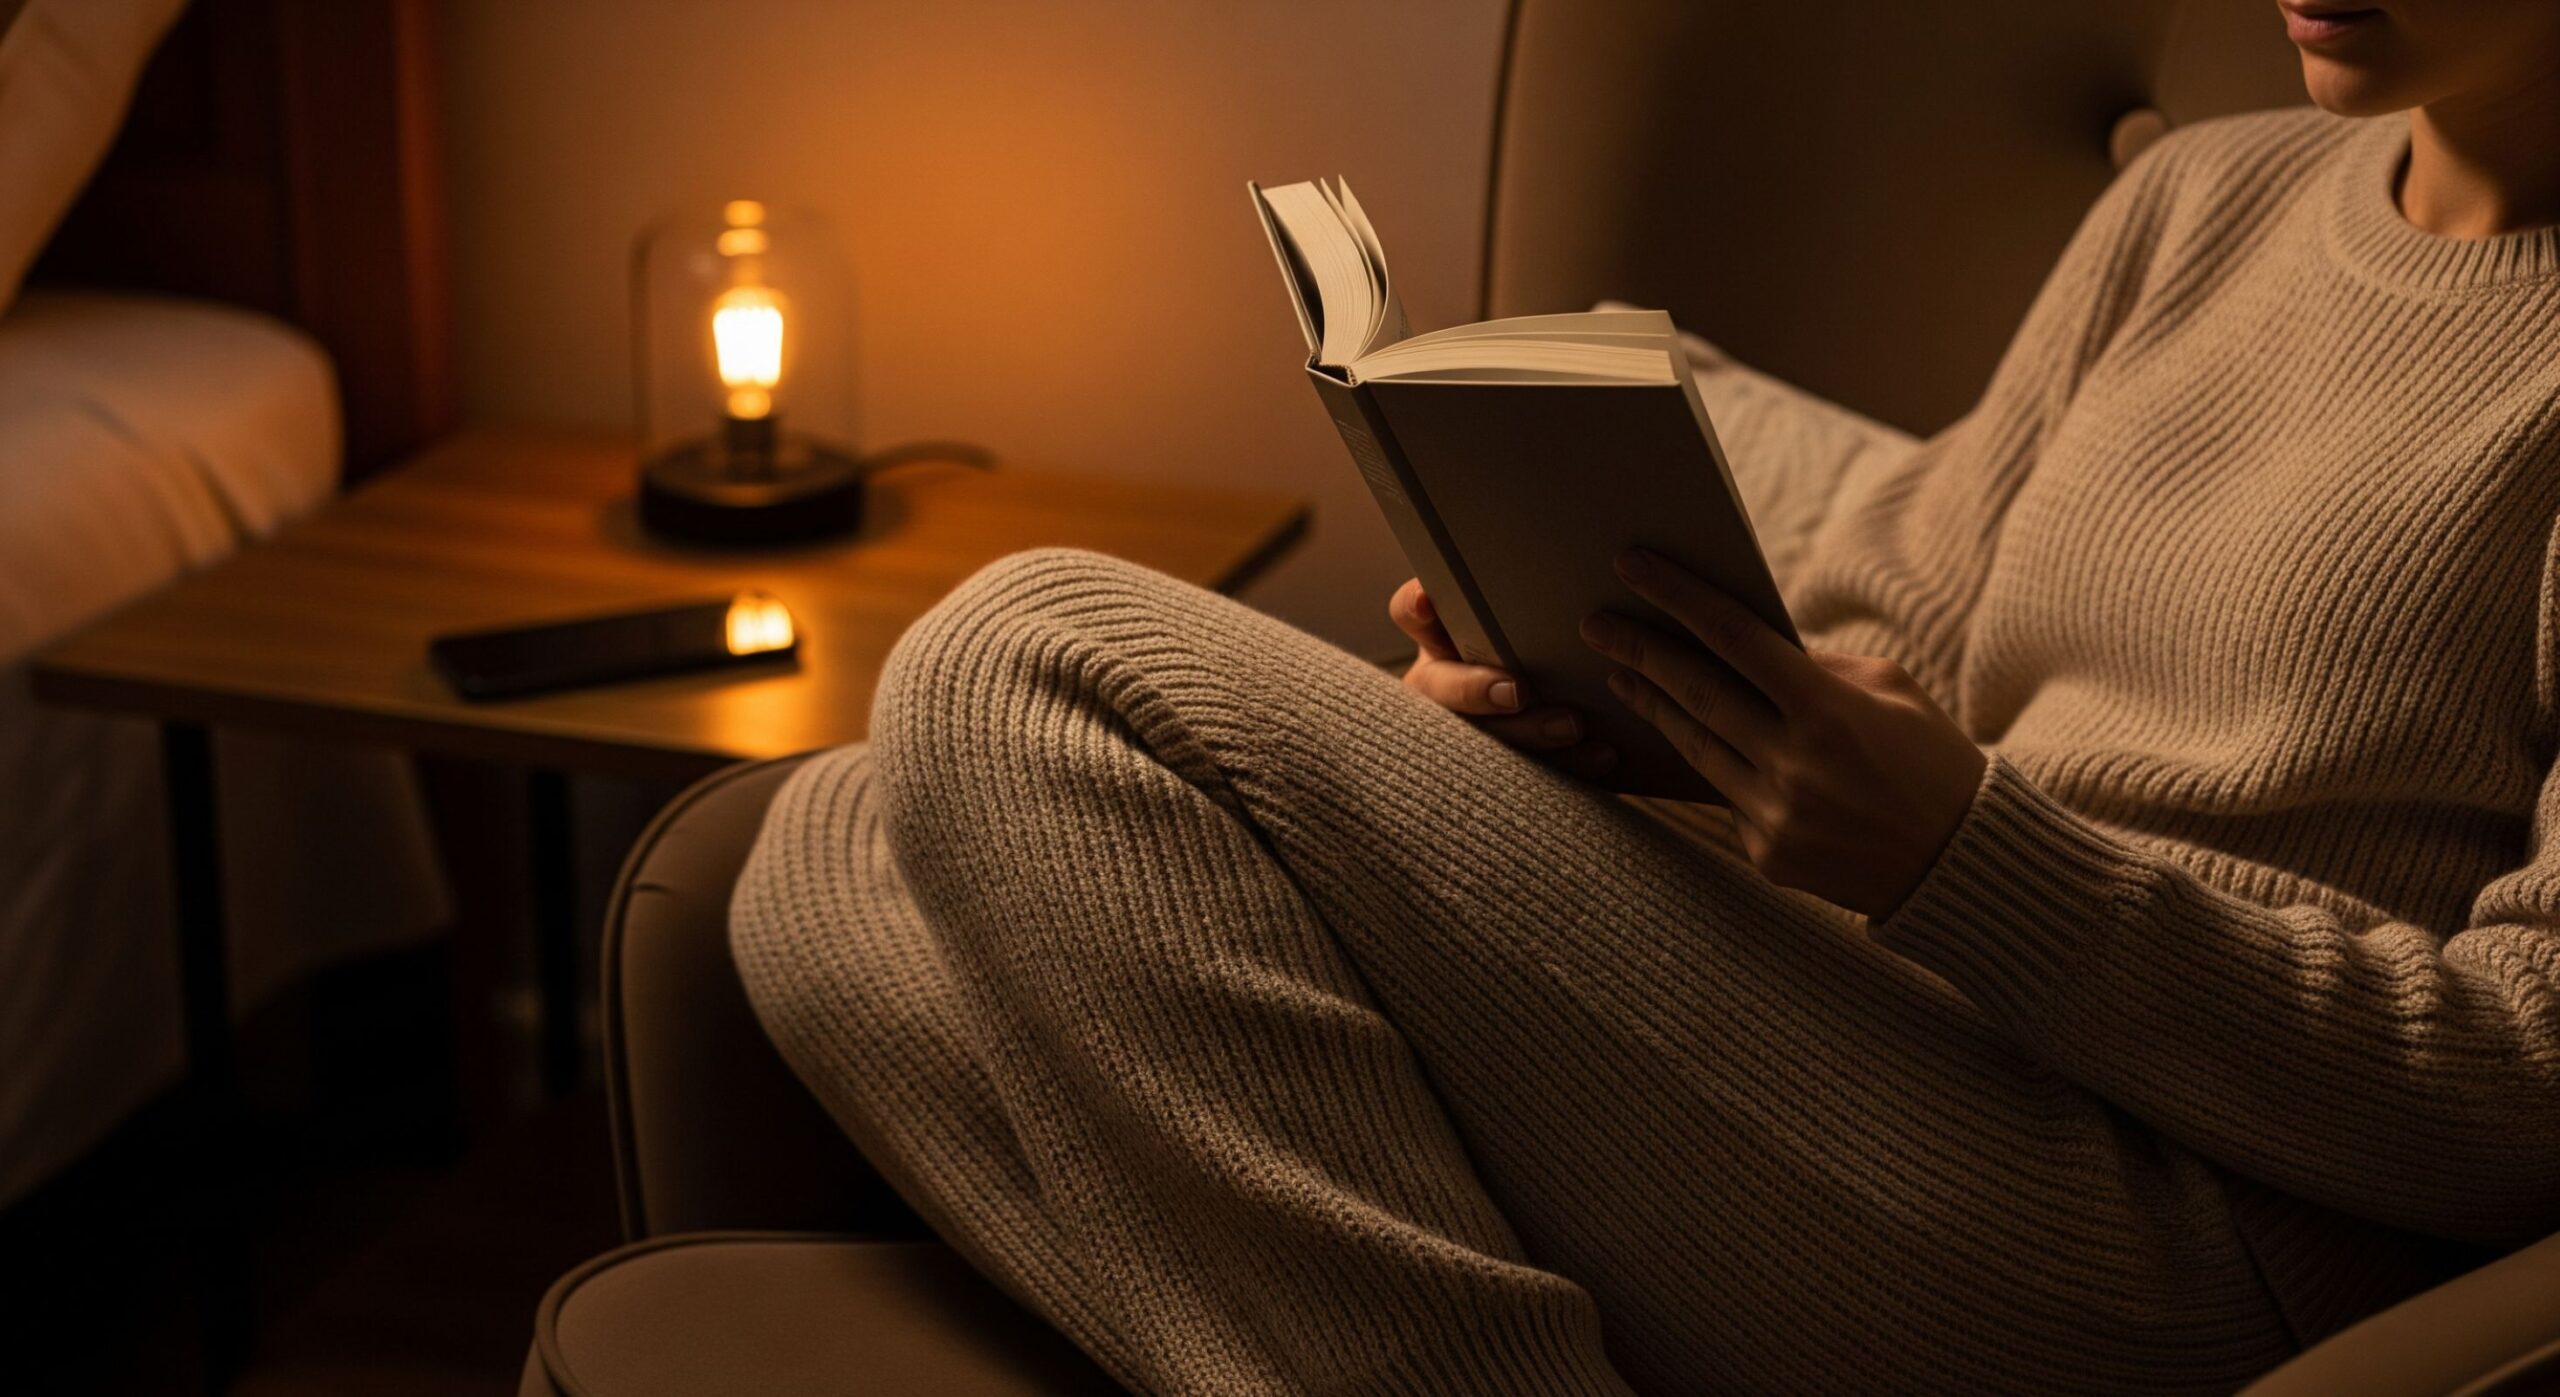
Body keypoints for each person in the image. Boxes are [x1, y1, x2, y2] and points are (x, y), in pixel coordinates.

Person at [730, 2, 2560, 1391]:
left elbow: (2533, 1085)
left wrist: (1970, 852)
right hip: (1908, 1008)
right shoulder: (2201, 196)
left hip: (2184, 1202)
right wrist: (1622, 719)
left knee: (1027, 649)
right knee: (823, 851)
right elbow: (1890, 630)